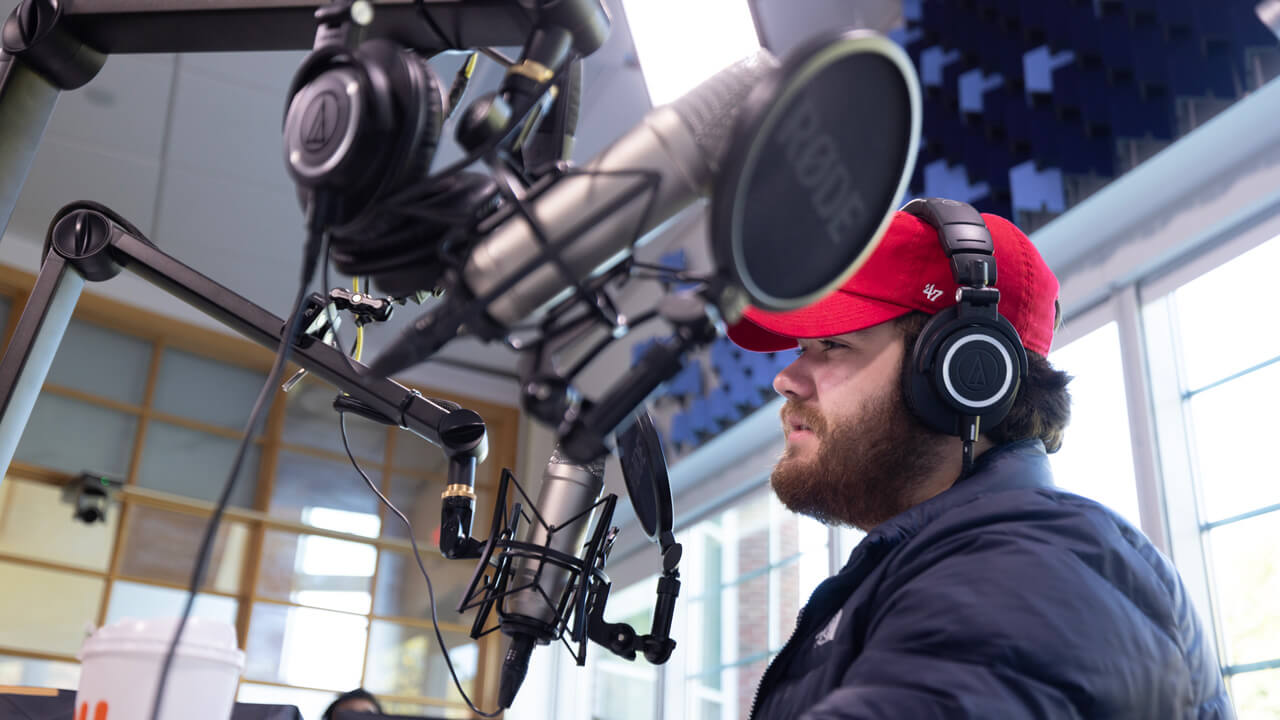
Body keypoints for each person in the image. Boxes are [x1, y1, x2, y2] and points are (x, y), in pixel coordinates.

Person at [727, 200, 1231, 719]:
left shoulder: (1034, 563)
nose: (784, 379)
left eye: (832, 345)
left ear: (964, 369)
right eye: (799, 349)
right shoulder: (928, 568)